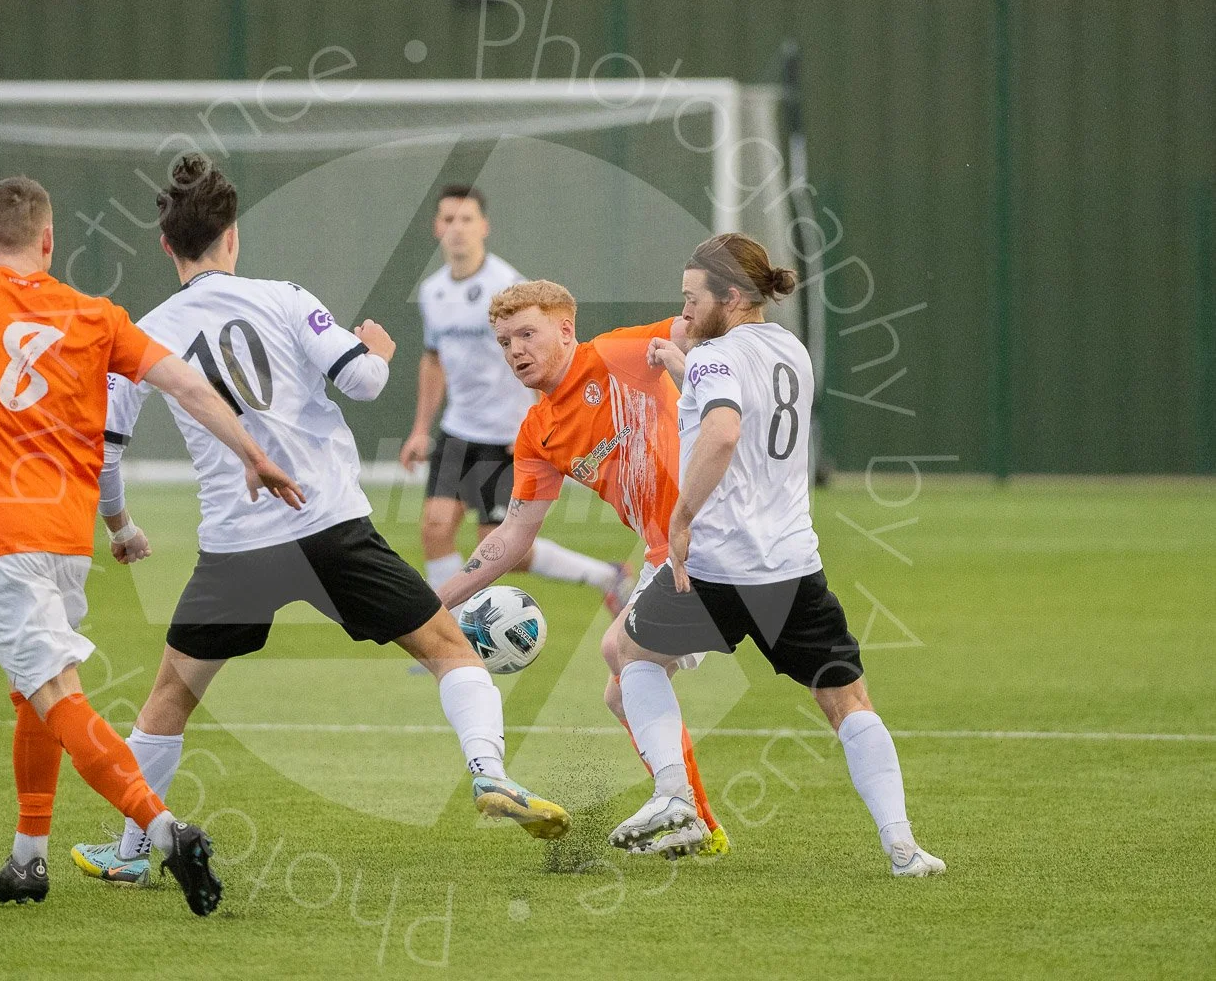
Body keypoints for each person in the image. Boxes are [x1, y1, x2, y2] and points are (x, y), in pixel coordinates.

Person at [68, 156, 570, 886]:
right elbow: (362, 382)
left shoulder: (143, 332)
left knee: (171, 694)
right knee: (448, 648)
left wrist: (120, 527)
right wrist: (378, 350)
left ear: (167, 246)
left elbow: (104, 451)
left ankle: (131, 851)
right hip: (332, 526)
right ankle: (490, 772)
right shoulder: (284, 298)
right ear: (232, 237)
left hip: (238, 546)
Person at [0, 176, 304, 914]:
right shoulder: (97, 315)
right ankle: (28, 858)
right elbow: (187, 386)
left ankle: (165, 833)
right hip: (66, 543)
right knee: (33, 691)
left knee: (55, 692)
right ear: (49, 241)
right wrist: (253, 453)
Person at [607, 233, 945, 876]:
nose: (684, 310)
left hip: (714, 567)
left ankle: (674, 792)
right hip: (792, 569)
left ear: (732, 297)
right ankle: (903, 848)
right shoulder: (791, 350)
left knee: (632, 656)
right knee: (849, 703)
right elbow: (741, 405)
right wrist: (684, 366)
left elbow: (723, 430)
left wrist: (681, 518)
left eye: (693, 298)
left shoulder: (715, 358)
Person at [435, 280, 728, 854]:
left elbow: (697, 332)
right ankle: (700, 824)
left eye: (527, 334)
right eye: (504, 342)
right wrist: (435, 601)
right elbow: (513, 536)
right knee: (622, 688)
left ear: (566, 329)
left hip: (714, 536)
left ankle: (688, 813)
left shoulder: (616, 355)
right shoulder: (537, 432)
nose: (516, 350)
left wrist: (714, 334)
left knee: (622, 651)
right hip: (665, 554)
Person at [400, 185, 624, 606]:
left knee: (504, 547)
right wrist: (419, 429)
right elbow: (433, 360)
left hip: (506, 433)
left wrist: (533, 423)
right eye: (448, 219)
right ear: (436, 228)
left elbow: (544, 357)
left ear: (483, 226)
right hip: (458, 428)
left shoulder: (508, 287)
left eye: (466, 219)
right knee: (435, 529)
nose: (457, 229)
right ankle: (452, 633)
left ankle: (607, 576)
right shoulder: (432, 291)